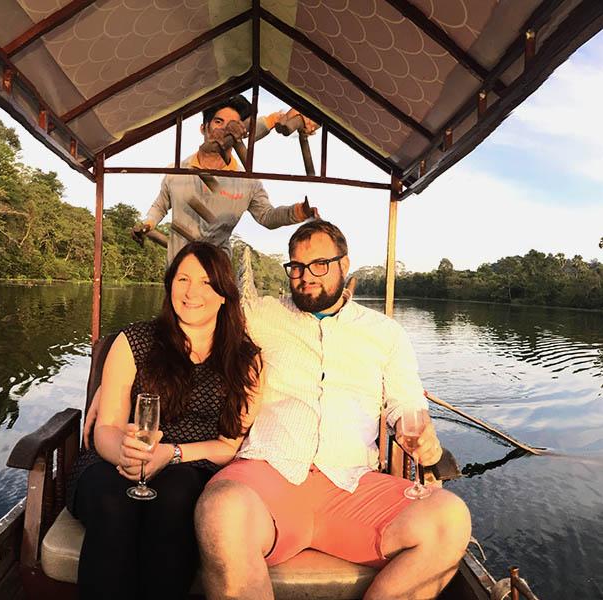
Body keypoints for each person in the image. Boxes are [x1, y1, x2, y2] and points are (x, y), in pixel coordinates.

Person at [194, 219, 472, 600]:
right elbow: (195, 323)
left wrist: (424, 437)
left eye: (319, 265)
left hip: (352, 484)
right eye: (297, 267)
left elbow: (406, 404)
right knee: (220, 509)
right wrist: (124, 360)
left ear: (345, 265)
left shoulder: (385, 333)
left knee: (450, 519)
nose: (306, 277)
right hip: (269, 474)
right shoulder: (260, 316)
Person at [67, 241, 263, 600]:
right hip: (116, 458)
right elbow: (106, 427)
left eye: (206, 283)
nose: (191, 292)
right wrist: (127, 456)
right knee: (115, 503)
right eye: (182, 279)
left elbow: (228, 445)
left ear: (224, 294)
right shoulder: (135, 341)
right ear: (169, 284)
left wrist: (169, 454)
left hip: (191, 464)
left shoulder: (244, 359)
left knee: (175, 498)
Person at [131, 95, 320, 263]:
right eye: (218, 122)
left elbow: (267, 217)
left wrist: (299, 211)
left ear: (241, 131)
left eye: (233, 125)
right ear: (204, 128)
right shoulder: (177, 171)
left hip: (217, 272)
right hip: (178, 270)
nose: (224, 129)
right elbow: (160, 206)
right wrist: (148, 224)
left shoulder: (247, 182)